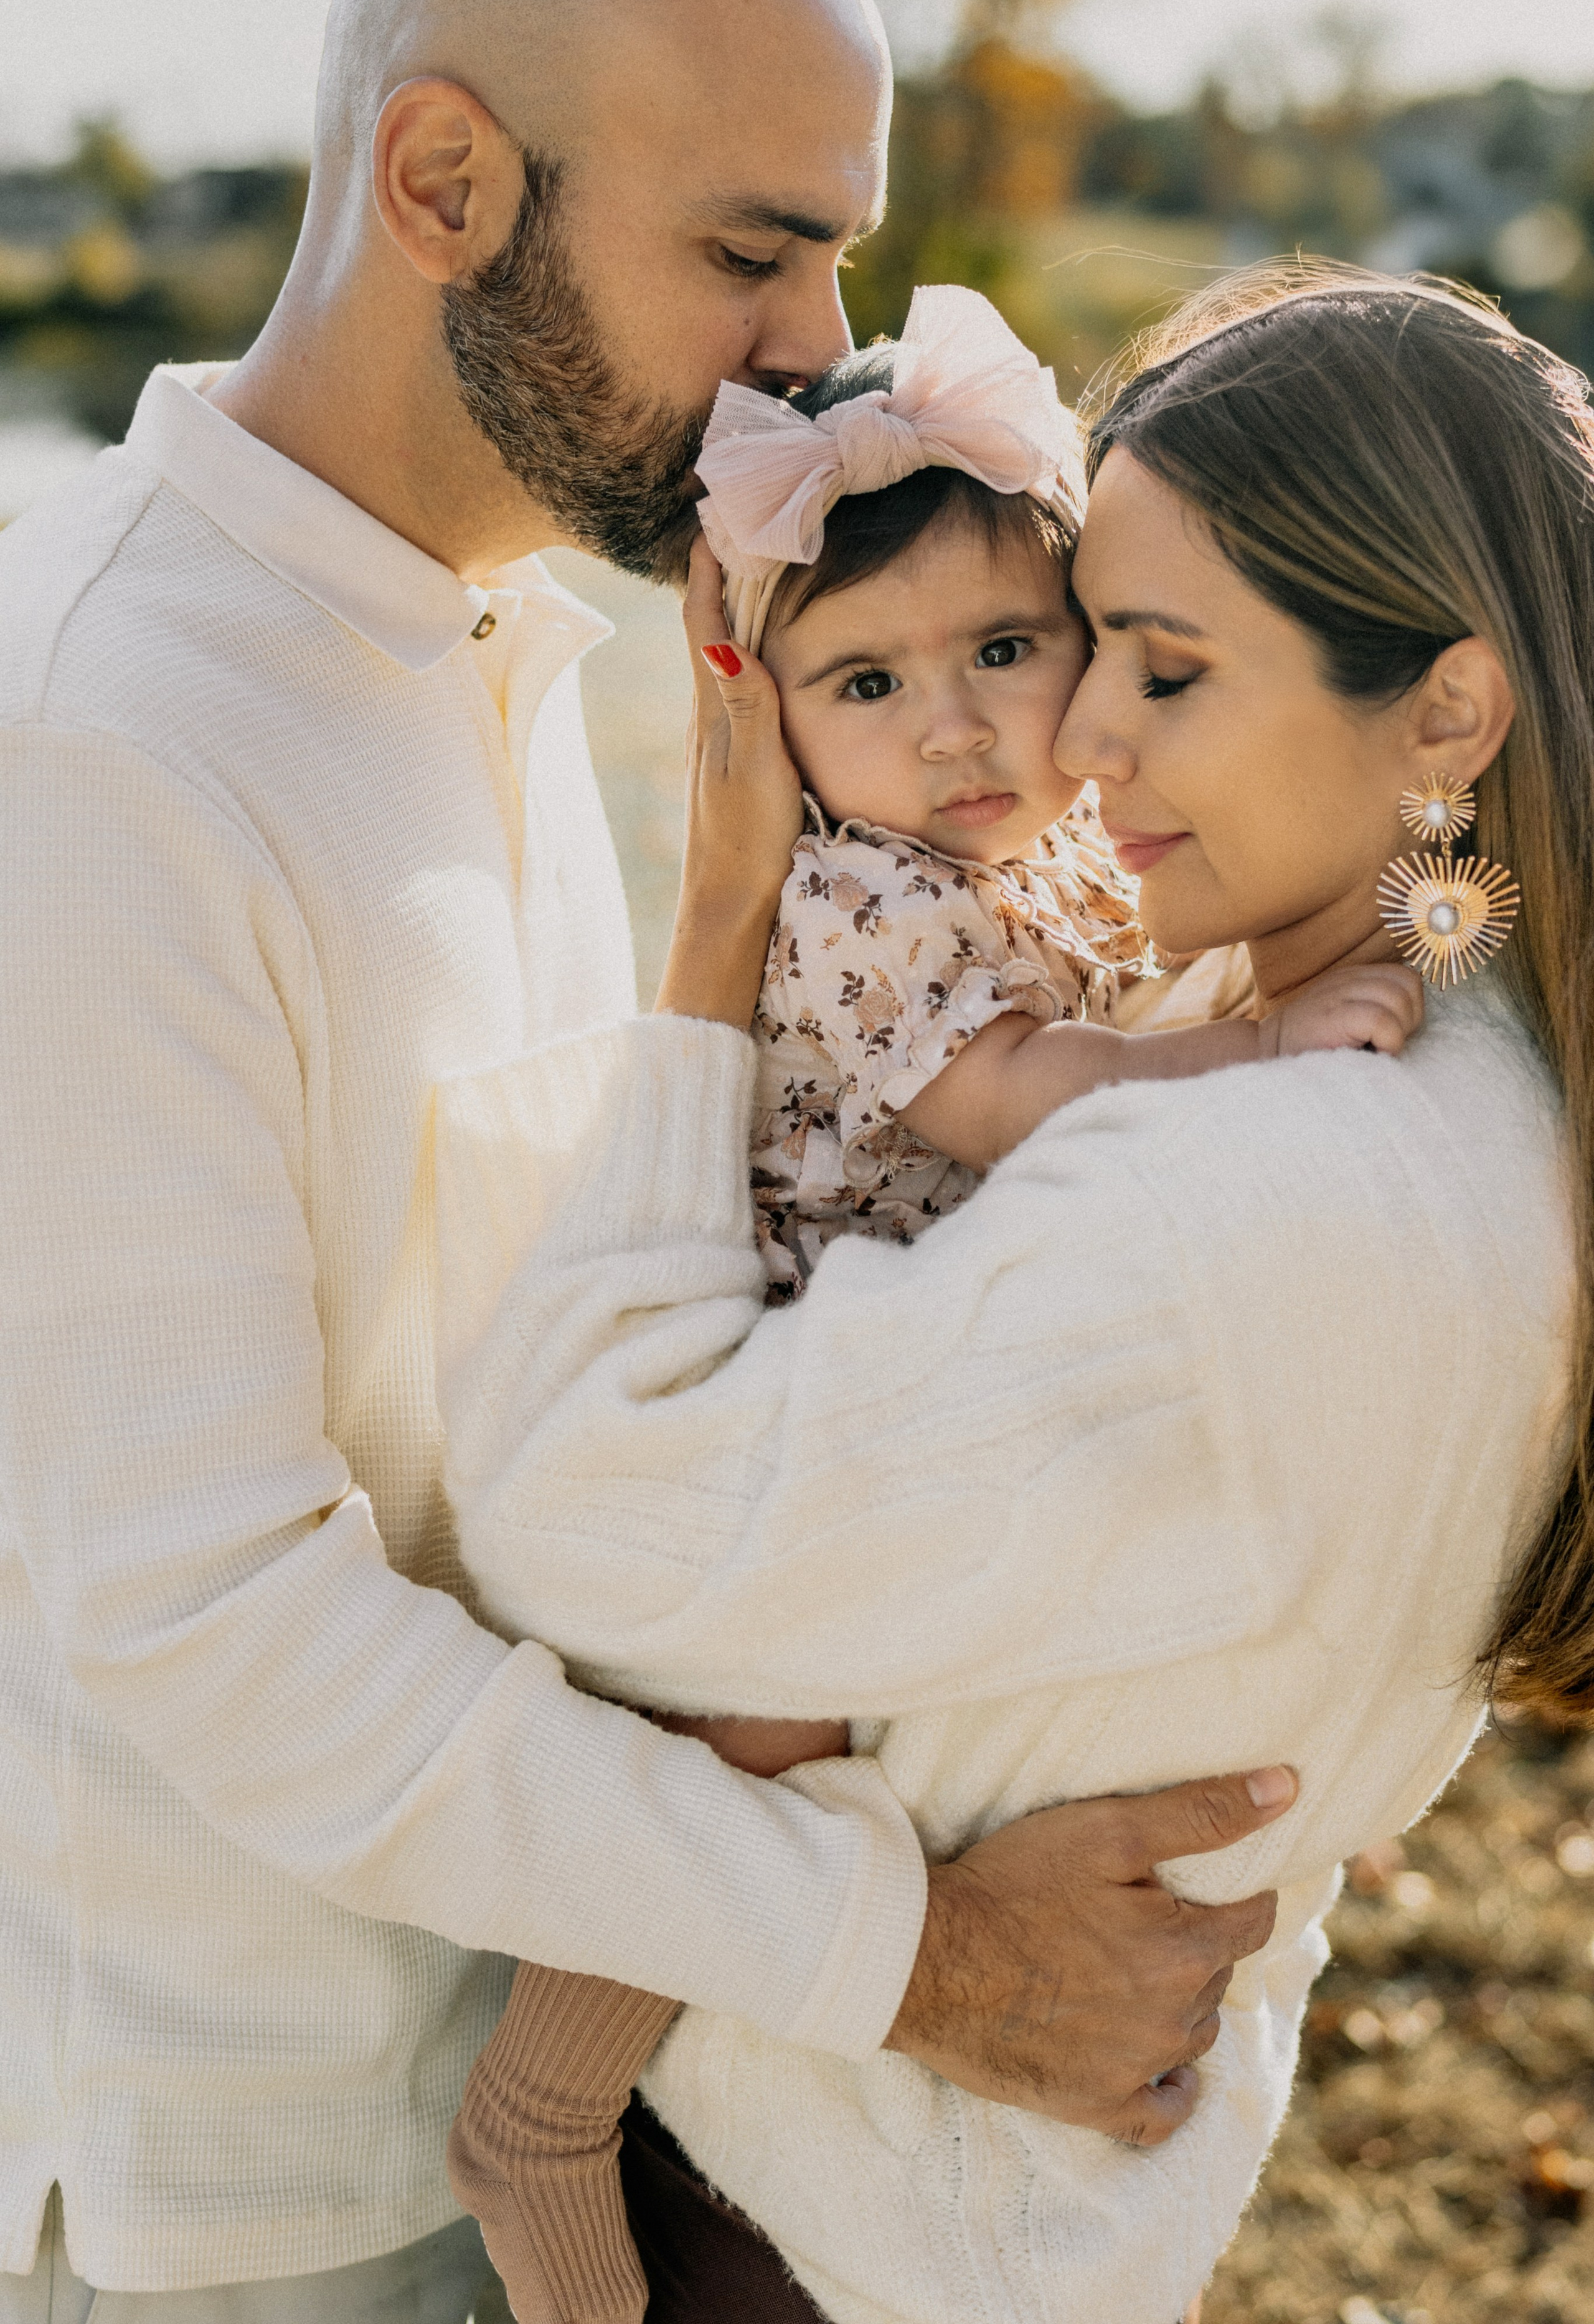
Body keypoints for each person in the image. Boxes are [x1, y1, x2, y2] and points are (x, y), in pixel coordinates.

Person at [0, 0, 1291, 2315]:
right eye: (749, 251)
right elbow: (207, 1615)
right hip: (259, 2204)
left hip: (553, 2085)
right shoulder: (101, 738)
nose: (819, 343)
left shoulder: (516, 652)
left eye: (838, 251)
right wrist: (921, 1958)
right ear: (444, 180)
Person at [430, 261, 1585, 2323]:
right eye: (1101, 654)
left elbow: (570, 1520)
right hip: (1055, 2192)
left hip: (830, 2219)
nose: (1075, 733)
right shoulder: (1486, 1075)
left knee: (719, 1730)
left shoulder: (1246, 1187)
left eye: (1150, 664)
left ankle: (532, 2103)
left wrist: (710, 934)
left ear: (1448, 706)